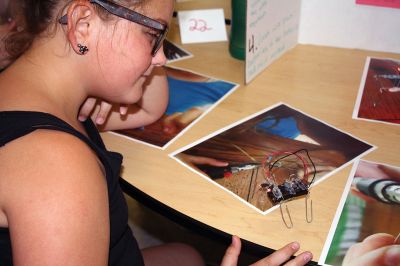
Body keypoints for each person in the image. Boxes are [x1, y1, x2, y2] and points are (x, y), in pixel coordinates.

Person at [0, 0, 315, 265]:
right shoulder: (58, 170)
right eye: (153, 36)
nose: (162, 57)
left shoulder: (31, 83)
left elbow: (151, 108)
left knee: (186, 255)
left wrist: (103, 72)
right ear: (83, 25)